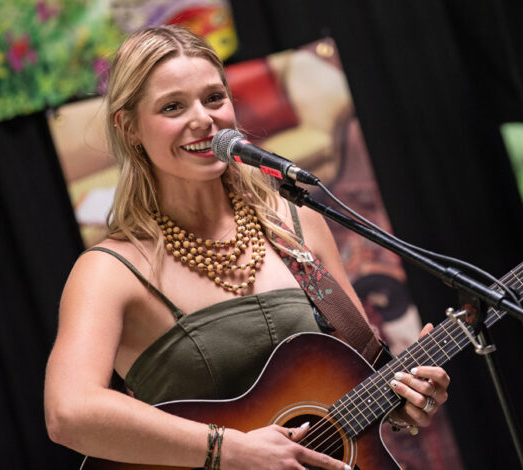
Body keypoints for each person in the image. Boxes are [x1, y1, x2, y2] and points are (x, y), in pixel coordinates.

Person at [44, 25, 450, 469]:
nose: (203, 118)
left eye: (214, 98)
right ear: (129, 128)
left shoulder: (299, 225)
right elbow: (69, 413)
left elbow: (360, 374)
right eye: (173, 106)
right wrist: (230, 449)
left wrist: (407, 400)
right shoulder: (110, 271)